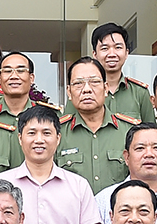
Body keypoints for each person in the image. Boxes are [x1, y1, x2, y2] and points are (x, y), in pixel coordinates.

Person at [59, 56, 138, 193]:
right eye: (78, 83)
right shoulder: (57, 133)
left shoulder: (129, 130)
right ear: (69, 92)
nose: (87, 89)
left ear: (106, 88)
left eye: (94, 82)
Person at [64, 23, 157, 124]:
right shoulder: (82, 92)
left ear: (126, 53)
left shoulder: (140, 92)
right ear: (94, 54)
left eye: (118, 47)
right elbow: (68, 129)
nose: (112, 54)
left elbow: (151, 131)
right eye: (105, 48)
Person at [0, 51, 50, 127]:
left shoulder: (49, 115)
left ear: (31, 78)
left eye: (21, 71)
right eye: (8, 71)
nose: (14, 76)